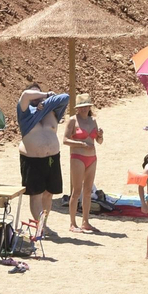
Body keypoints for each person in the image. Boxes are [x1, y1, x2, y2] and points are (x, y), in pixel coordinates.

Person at [16, 84, 69, 236]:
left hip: (52, 158)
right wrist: (45, 95)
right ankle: (40, 226)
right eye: (35, 94)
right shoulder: (25, 112)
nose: (35, 96)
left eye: (37, 94)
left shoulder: (51, 110)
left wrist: (45, 102)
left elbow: (66, 97)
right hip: (33, 159)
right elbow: (25, 94)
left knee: (48, 193)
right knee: (36, 194)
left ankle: (43, 224)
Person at [63, 93, 104, 233]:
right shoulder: (73, 121)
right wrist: (81, 144)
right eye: (81, 107)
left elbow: (99, 141)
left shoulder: (93, 121)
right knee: (76, 191)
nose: (84, 109)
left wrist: (100, 135)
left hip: (92, 158)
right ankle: (72, 223)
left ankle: (85, 221)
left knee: (88, 191)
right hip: (78, 157)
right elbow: (65, 140)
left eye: (86, 106)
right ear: (77, 108)